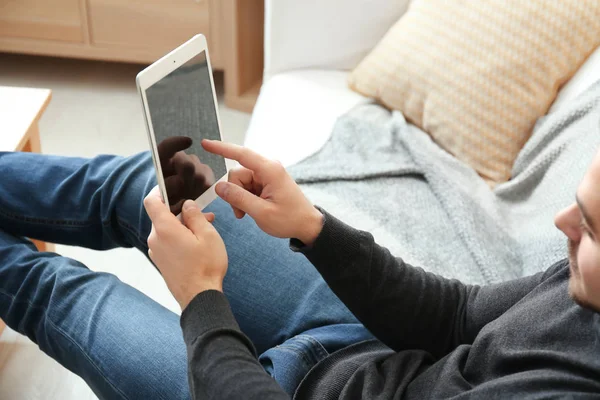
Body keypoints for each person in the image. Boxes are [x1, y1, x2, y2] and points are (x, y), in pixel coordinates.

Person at [0, 137, 599, 399]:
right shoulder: (585, 286)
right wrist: (313, 227)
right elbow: (457, 315)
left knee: (53, 292)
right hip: (361, 347)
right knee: (153, 186)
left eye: (591, 227)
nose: (564, 225)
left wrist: (202, 298)